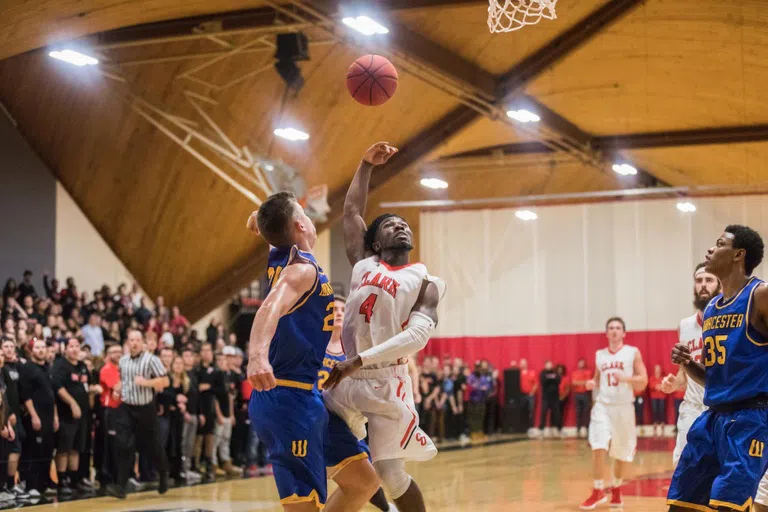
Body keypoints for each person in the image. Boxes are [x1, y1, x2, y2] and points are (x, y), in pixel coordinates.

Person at [323, 142, 446, 512]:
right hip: (347, 377)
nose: (401, 226)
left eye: (405, 224)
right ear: (376, 242)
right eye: (392, 224)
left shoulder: (426, 280)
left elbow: (417, 337)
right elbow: (351, 210)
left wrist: (357, 360)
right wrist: (364, 164)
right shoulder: (363, 263)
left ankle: (393, 505)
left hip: (386, 380)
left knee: (391, 475)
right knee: (320, 439)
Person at [246, 191, 379, 512]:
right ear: (300, 225)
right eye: (305, 215)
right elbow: (269, 307)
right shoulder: (300, 270)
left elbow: (264, 226)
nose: (310, 220)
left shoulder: (280, 252)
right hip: (287, 399)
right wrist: (257, 355)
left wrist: (257, 221)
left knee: (364, 481)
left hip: (309, 398)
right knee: (304, 507)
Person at [667, 226, 768, 512]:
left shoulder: (760, 295)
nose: (711, 249)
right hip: (713, 418)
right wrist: (688, 364)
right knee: (681, 503)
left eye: (719, 243)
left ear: (739, 254)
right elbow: (713, 379)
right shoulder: (712, 307)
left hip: (751, 418)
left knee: (729, 506)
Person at [316, 296, 397, 512]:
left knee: (365, 472)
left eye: (343, 309)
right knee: (332, 477)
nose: (339, 312)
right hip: (319, 415)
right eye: (335, 309)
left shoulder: (353, 348)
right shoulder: (316, 345)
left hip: (348, 418)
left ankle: (386, 508)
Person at [579, 317, 648, 510]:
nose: (614, 331)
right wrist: (592, 383)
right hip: (603, 405)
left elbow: (643, 380)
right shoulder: (599, 355)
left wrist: (625, 378)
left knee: (620, 452)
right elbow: (596, 378)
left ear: (624, 333)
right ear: (606, 333)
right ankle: (598, 489)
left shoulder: (632, 352)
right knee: (598, 444)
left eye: (618, 328)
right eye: (611, 328)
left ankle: (616, 490)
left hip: (624, 407)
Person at [660, 263, 720, 465]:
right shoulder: (685, 326)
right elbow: (684, 374)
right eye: (699, 280)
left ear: (720, 284)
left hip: (721, 408)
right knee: (682, 467)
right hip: (692, 408)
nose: (703, 285)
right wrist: (674, 383)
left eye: (709, 280)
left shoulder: (731, 321)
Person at [106, 329, 170, 499]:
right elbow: (124, 380)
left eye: (137, 340)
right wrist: (118, 388)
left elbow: (165, 380)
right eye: (131, 339)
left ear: (142, 343)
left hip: (146, 409)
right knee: (123, 444)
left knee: (153, 446)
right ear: (127, 342)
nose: (134, 342)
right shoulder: (123, 360)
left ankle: (164, 474)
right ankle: (121, 485)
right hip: (126, 407)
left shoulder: (151, 360)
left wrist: (146, 382)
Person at [50, 337, 91, 496]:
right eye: (71, 346)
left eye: (77, 346)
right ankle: (62, 480)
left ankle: (74, 480)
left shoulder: (82, 366)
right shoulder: (60, 365)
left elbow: (86, 385)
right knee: (64, 448)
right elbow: (57, 387)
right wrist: (72, 403)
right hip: (66, 414)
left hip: (83, 415)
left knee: (76, 448)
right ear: (65, 349)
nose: (74, 349)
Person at [19, 338, 57, 497]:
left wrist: (55, 416)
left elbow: (52, 394)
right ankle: (31, 484)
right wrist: (34, 415)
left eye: (43, 348)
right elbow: (25, 395)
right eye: (37, 348)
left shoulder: (47, 367)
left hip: (49, 416)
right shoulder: (27, 368)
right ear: (31, 350)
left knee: (47, 450)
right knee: (34, 450)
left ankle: (44, 482)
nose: (41, 350)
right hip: (36, 416)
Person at [538, 361, 561, 438]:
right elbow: (543, 381)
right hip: (546, 398)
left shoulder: (555, 372)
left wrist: (549, 378)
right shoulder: (542, 373)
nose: (549, 366)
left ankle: (559, 430)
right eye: (548, 365)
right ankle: (541, 431)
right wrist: (551, 378)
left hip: (555, 398)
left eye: (550, 365)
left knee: (557, 414)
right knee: (543, 414)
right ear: (545, 366)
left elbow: (558, 381)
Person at [572, 359, 592, 438]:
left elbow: (588, 382)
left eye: (582, 363)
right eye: (580, 363)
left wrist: (579, 382)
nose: (581, 364)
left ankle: (588, 430)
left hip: (586, 394)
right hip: (577, 394)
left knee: (586, 413)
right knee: (578, 413)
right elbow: (574, 383)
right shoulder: (575, 373)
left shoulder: (588, 372)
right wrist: (583, 382)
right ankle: (578, 430)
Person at [518, 359, 538, 435]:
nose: (523, 365)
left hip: (530, 395)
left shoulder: (532, 372)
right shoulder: (518, 373)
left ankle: (531, 428)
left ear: (526, 364)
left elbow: (536, 384)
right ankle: (523, 428)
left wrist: (532, 392)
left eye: (524, 363)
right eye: (521, 363)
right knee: (522, 411)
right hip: (521, 395)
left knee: (531, 411)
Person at [648, 365, 666, 438]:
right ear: (654, 370)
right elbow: (651, 385)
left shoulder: (663, 378)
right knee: (655, 412)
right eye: (656, 370)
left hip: (661, 397)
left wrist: (659, 386)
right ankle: (655, 431)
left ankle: (662, 431)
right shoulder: (652, 378)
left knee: (661, 412)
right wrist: (657, 386)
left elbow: (664, 386)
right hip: (654, 398)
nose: (657, 371)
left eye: (658, 369)